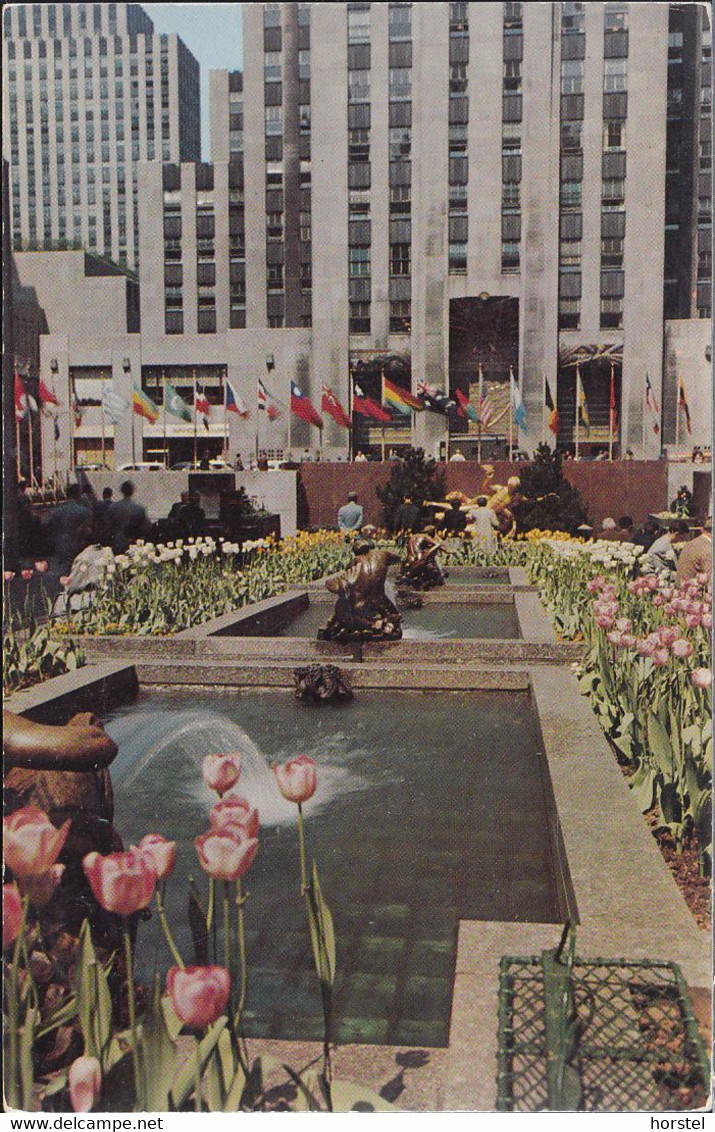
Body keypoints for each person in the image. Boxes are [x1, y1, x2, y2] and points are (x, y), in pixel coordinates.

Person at [45, 483, 94, 573]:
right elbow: (88, 529)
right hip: (76, 544)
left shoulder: (56, 511)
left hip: (60, 544)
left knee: (61, 571)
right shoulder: (83, 511)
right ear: (78, 494)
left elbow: (49, 527)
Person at [107, 480, 149, 554]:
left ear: (121, 491)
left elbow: (108, 525)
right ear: (132, 491)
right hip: (133, 542)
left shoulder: (113, 507)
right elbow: (145, 527)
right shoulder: (139, 508)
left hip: (117, 541)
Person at [676, 516, 712, 584]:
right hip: (692, 591)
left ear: (702, 529)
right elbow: (710, 583)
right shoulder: (708, 550)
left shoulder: (690, 543)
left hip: (679, 589)